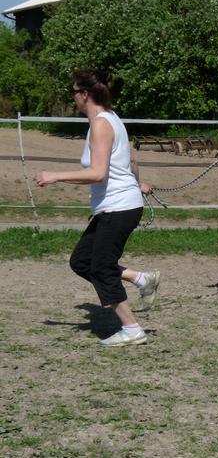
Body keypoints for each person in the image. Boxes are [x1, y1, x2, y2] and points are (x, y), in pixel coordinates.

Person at [34, 69, 160, 347]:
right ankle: (140, 278)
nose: (73, 98)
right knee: (81, 261)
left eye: (74, 92)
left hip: (118, 207)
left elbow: (98, 173)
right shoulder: (112, 120)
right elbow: (132, 159)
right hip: (117, 205)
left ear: (85, 94)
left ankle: (132, 329)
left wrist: (55, 176)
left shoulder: (101, 124)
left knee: (101, 268)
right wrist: (136, 184)